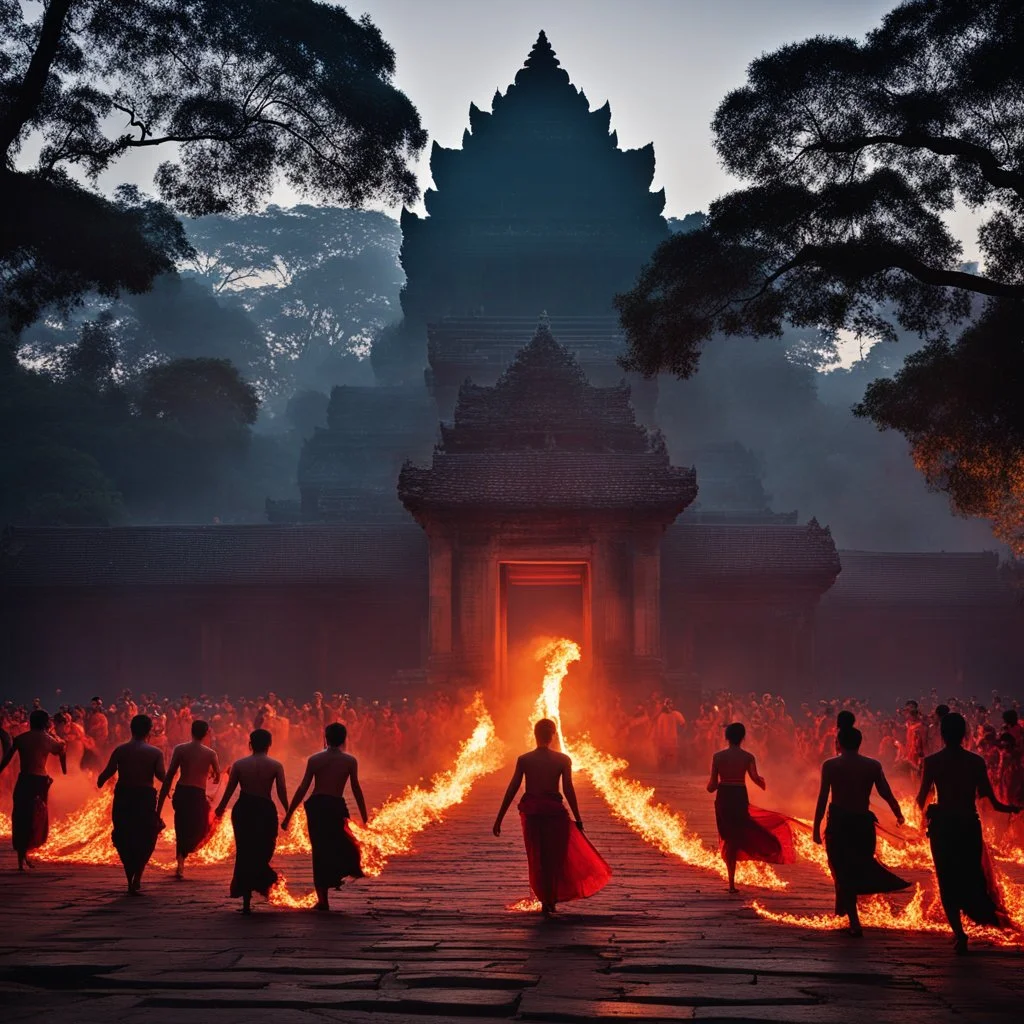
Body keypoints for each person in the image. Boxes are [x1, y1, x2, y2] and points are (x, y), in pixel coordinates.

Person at [916, 711, 1021, 954]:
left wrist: (921, 820)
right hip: (967, 825)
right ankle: (976, 916)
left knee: (947, 878)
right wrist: (1012, 809)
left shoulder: (932, 762)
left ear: (942, 734)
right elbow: (991, 800)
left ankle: (959, 933)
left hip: (943, 827)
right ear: (964, 735)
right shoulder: (975, 762)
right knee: (971, 876)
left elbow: (922, 797)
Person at [493, 719, 611, 914]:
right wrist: (578, 817)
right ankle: (550, 898)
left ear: (535, 734)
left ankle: (546, 898)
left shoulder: (525, 759)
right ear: (553, 736)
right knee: (554, 857)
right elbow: (568, 790)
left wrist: (500, 818)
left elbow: (512, 789)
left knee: (537, 857)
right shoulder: (563, 760)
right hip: (555, 814)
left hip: (533, 814)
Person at [812, 726, 910, 936]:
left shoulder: (830, 765)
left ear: (838, 743)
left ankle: (854, 923)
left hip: (840, 823)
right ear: (859, 743)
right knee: (853, 868)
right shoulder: (872, 765)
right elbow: (886, 792)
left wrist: (816, 825)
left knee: (842, 868)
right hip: (862, 825)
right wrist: (899, 813)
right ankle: (842, 910)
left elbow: (822, 797)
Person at [282, 721, 367, 911]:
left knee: (320, 851)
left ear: (326, 738)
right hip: (334, 805)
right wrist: (364, 814)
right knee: (340, 844)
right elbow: (356, 788)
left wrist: (289, 814)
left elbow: (303, 787)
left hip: (318, 806)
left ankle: (324, 898)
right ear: (344, 739)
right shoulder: (350, 761)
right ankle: (332, 885)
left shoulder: (315, 759)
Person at [707, 722, 794, 893]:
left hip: (724, 797)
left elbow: (711, 785)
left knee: (729, 838)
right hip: (739, 795)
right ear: (743, 738)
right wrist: (762, 783)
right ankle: (763, 850)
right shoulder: (748, 757)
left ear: (727, 737)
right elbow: (754, 777)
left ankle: (731, 883)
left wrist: (718, 784)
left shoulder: (718, 757)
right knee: (739, 833)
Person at [215, 728, 288, 914]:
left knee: (245, 852)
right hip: (264, 810)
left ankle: (246, 900)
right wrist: (288, 811)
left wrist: (221, 807)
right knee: (263, 850)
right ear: (269, 745)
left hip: (244, 809)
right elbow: (281, 792)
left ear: (250, 744)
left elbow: (230, 789)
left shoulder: (239, 764)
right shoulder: (275, 765)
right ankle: (263, 880)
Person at [97, 714, 165, 895]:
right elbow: (160, 775)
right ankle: (138, 877)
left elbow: (107, 772)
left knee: (124, 836)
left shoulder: (121, 750)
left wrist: (100, 781)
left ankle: (130, 879)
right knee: (145, 836)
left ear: (131, 729)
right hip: (144, 798)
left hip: (124, 797)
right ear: (149, 731)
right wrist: (171, 780)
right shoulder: (155, 753)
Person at [0, 709, 66, 870]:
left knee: (21, 817)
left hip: (24, 780)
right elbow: (61, 752)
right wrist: (64, 767)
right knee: (36, 818)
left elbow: (7, 758)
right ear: (45, 723)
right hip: (39, 782)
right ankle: (25, 855)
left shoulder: (21, 739)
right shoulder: (47, 739)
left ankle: (22, 857)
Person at [157, 719, 221, 879]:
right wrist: (214, 774)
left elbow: (170, 773)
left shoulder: (180, 749)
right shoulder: (211, 753)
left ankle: (181, 861)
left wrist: (163, 795)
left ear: (191, 732)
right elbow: (217, 775)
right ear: (206, 733)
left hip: (183, 791)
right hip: (196, 794)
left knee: (182, 827)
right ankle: (182, 859)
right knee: (199, 827)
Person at [652, 699, 686, 771]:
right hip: (663, 740)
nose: (669, 706)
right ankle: (663, 769)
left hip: (672, 740)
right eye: (667, 704)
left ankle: (673, 769)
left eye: (670, 704)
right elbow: (659, 729)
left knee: (673, 756)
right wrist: (658, 739)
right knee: (662, 756)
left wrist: (680, 734)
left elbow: (683, 724)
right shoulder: (661, 716)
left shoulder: (676, 714)